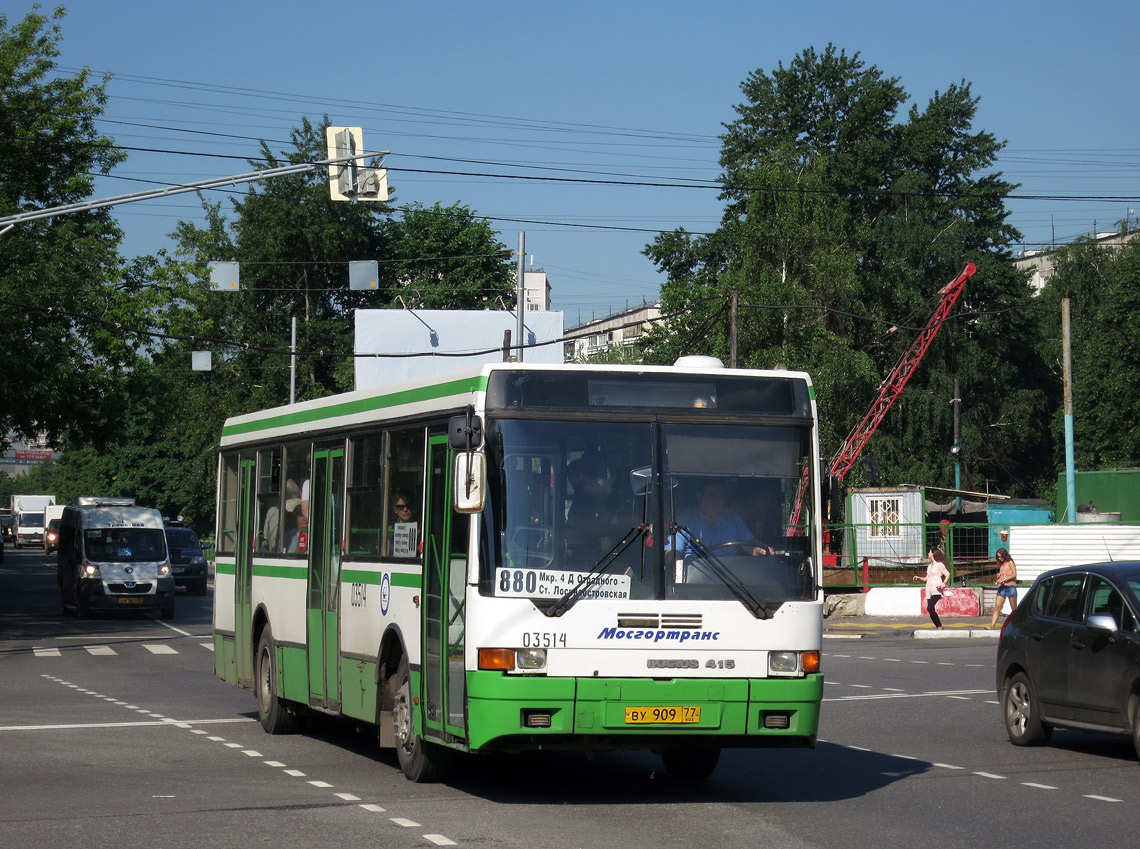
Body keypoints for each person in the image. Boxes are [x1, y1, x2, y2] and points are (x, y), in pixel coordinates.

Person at [672, 479, 773, 562]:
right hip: (696, 577)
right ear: (699, 497)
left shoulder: (733, 519)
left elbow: (749, 543)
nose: (717, 500)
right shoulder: (684, 520)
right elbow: (673, 552)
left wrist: (761, 549)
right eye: (712, 495)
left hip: (732, 577)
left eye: (720, 496)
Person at [914, 546, 951, 630]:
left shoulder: (940, 565)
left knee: (930, 607)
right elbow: (927, 578)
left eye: (929, 552)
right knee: (929, 608)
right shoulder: (929, 566)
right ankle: (939, 626)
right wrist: (919, 578)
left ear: (933, 554)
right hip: (929, 589)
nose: (928, 553)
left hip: (936, 588)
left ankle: (939, 626)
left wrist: (944, 583)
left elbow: (947, 574)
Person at [990, 547, 1018, 628]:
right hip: (1002, 587)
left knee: (1014, 609)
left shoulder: (1010, 562)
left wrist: (1005, 578)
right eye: (998, 557)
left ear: (1005, 556)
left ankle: (1015, 625)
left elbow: (1014, 574)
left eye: (1001, 557)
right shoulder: (1002, 564)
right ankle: (992, 626)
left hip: (1010, 587)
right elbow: (1002, 574)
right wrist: (999, 576)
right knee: (997, 607)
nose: (1000, 559)